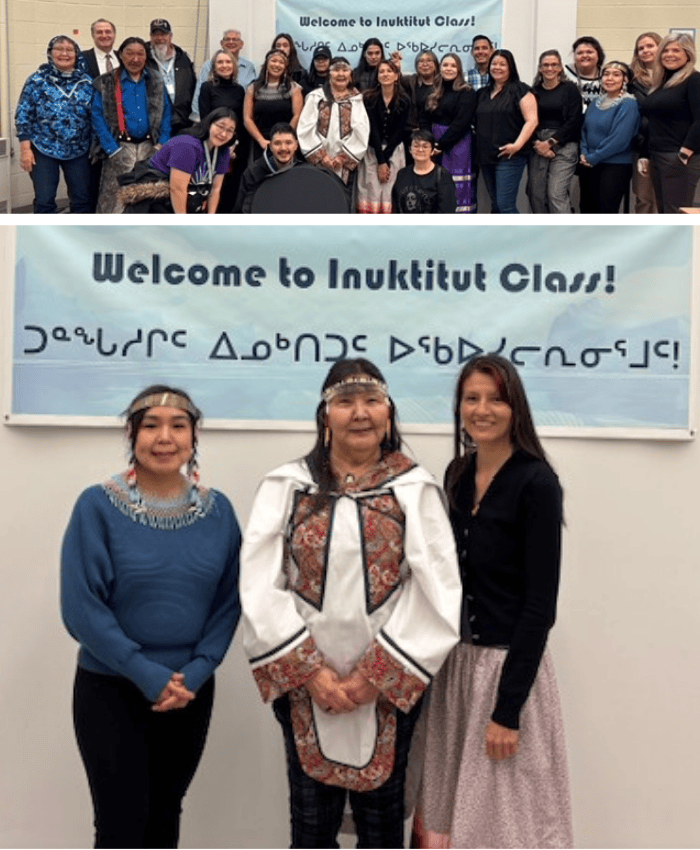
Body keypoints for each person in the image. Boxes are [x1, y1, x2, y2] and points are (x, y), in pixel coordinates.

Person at [240, 358, 461, 849]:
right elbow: (258, 582)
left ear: (388, 412)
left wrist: (373, 678)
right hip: (304, 685)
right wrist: (311, 674)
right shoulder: (288, 486)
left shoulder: (413, 489)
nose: (359, 413)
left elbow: (438, 588)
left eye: (371, 401)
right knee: (311, 830)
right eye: (345, 402)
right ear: (325, 416)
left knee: (381, 831)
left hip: (385, 687)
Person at [61, 385, 241, 848]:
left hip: (189, 692)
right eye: (151, 425)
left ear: (193, 436)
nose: (165, 437)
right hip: (111, 688)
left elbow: (229, 602)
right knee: (120, 826)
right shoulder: (96, 506)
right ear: (131, 433)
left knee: (164, 820)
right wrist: (145, 673)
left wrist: (197, 673)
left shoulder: (218, 512)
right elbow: (81, 608)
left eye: (178, 426)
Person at [411, 354, 573, 849]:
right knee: (442, 817)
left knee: (501, 823)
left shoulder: (537, 483)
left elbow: (540, 606)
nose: (482, 409)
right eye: (471, 398)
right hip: (454, 670)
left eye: (495, 398)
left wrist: (508, 710)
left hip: (506, 677)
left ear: (515, 407)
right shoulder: (457, 472)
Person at [92, 36, 172, 214]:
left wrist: (163, 142)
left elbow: (167, 111)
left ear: (146, 56)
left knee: (144, 194)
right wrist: (111, 148)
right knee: (113, 196)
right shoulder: (106, 82)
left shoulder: (156, 79)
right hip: (119, 148)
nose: (135, 59)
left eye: (140, 54)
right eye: (130, 53)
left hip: (150, 147)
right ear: (121, 55)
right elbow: (97, 116)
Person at [15, 35, 93, 214]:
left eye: (69, 50)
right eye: (59, 49)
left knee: (82, 200)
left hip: (79, 150)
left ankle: (80, 238)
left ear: (76, 54)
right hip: (43, 149)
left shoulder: (87, 82)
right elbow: (23, 114)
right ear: (50, 53)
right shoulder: (37, 80)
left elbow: (95, 116)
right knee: (44, 200)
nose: (64, 53)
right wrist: (25, 150)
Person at [119, 107, 237, 214]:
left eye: (230, 130)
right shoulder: (187, 145)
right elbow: (177, 189)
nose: (223, 134)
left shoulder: (223, 152)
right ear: (209, 124)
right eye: (220, 126)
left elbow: (215, 189)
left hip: (187, 201)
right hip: (155, 201)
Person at [638, 33, 700, 214]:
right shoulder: (661, 83)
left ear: (688, 54)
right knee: (664, 210)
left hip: (679, 157)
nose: (669, 54)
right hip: (658, 155)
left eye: (676, 50)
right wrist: (645, 154)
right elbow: (653, 122)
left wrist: (685, 151)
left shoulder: (694, 79)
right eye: (665, 50)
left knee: (677, 212)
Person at [298, 57, 370, 209]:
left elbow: (362, 131)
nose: (341, 74)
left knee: (342, 202)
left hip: (343, 165)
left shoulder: (356, 99)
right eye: (336, 70)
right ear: (329, 74)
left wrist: (342, 158)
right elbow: (305, 127)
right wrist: (322, 156)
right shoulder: (316, 97)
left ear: (350, 75)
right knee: (316, 202)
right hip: (319, 161)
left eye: (345, 70)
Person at [475, 49, 538, 214]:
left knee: (505, 205)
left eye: (502, 64)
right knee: (495, 205)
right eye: (494, 64)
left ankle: (519, 240)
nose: (497, 67)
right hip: (486, 156)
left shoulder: (521, 90)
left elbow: (532, 120)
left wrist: (517, 145)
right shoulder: (482, 93)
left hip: (510, 156)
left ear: (511, 67)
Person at [419, 52, 477, 214]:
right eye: (445, 65)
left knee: (458, 188)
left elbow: (462, 123)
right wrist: (428, 143)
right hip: (434, 144)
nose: (449, 69)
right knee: (437, 185)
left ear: (459, 70)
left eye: (453, 66)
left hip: (458, 145)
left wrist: (441, 144)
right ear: (440, 68)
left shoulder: (467, 92)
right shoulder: (434, 92)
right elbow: (424, 118)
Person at [579, 61, 640, 214]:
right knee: (587, 209)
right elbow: (585, 130)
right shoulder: (595, 102)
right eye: (606, 74)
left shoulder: (628, 104)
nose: (609, 78)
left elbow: (619, 139)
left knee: (605, 212)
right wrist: (584, 152)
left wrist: (594, 157)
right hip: (589, 164)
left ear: (625, 80)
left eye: (616, 75)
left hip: (614, 166)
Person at [527, 49, 583, 213]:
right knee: (535, 194)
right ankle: (543, 235)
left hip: (564, 145)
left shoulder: (570, 89)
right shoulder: (533, 91)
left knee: (555, 194)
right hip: (538, 145)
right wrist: (537, 144)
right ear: (540, 68)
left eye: (554, 65)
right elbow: (527, 120)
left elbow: (574, 121)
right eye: (546, 65)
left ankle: (565, 236)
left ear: (560, 68)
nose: (549, 68)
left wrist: (551, 143)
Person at [197, 48, 248, 211]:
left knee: (230, 188)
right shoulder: (206, 87)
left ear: (234, 66)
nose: (224, 65)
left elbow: (241, 118)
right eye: (220, 62)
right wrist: (220, 144)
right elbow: (205, 119)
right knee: (212, 187)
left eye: (228, 62)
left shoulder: (239, 90)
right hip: (213, 145)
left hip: (235, 147)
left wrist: (233, 145)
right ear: (214, 67)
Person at [356, 59, 410, 213]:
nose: (385, 74)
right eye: (382, 71)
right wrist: (380, 160)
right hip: (373, 150)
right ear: (377, 76)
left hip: (394, 151)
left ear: (396, 76)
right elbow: (372, 130)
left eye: (389, 71)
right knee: (371, 189)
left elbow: (400, 131)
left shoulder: (404, 100)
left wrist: (386, 160)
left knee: (391, 189)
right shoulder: (369, 98)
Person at [243, 48, 303, 160]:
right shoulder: (253, 88)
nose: (277, 65)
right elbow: (247, 118)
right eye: (274, 61)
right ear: (267, 63)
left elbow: (297, 116)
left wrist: (284, 139)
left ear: (285, 67)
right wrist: (261, 140)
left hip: (285, 143)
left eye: (281, 62)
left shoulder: (294, 88)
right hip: (261, 141)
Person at [234, 122, 301, 213]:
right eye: (277, 143)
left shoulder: (303, 171)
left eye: (288, 143)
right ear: (270, 146)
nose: (283, 148)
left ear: (296, 145)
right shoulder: (253, 172)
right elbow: (243, 210)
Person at [629, 32, 661, 214]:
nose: (645, 51)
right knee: (643, 197)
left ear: (660, 48)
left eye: (650, 46)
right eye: (640, 48)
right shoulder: (632, 81)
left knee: (662, 197)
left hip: (667, 145)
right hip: (641, 145)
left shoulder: (674, 78)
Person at [192, 29, 256, 120]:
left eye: (235, 39)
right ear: (221, 43)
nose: (231, 42)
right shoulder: (208, 67)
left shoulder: (249, 67)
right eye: (227, 39)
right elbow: (198, 97)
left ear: (241, 44)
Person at [148, 18, 196, 136]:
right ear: (150, 37)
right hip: (155, 123)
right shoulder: (145, 59)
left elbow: (192, 88)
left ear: (170, 36)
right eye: (155, 34)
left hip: (181, 122)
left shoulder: (183, 59)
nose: (159, 38)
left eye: (163, 34)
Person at [392, 129, 457, 213]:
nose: (420, 149)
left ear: (432, 151)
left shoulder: (442, 176)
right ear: (410, 150)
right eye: (416, 146)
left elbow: (447, 212)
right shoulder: (402, 174)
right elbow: (397, 207)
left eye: (425, 146)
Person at [565, 36, 605, 110]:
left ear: (598, 55)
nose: (584, 56)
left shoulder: (607, 76)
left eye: (589, 52)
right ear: (574, 56)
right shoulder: (564, 75)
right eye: (580, 53)